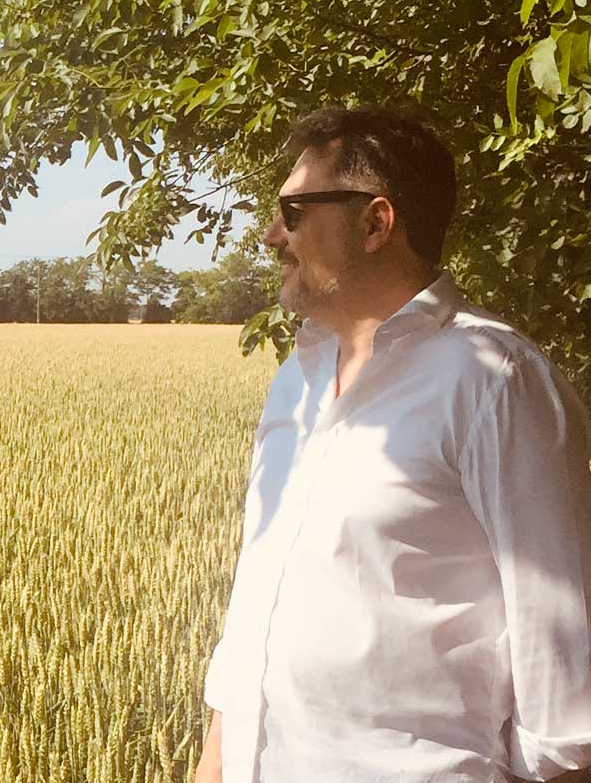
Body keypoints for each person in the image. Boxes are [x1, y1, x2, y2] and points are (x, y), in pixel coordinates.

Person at [194, 105, 591, 782]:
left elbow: (564, 698)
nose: (269, 237)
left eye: (292, 215)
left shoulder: (493, 380)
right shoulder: (297, 379)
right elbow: (255, 615)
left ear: (376, 222)